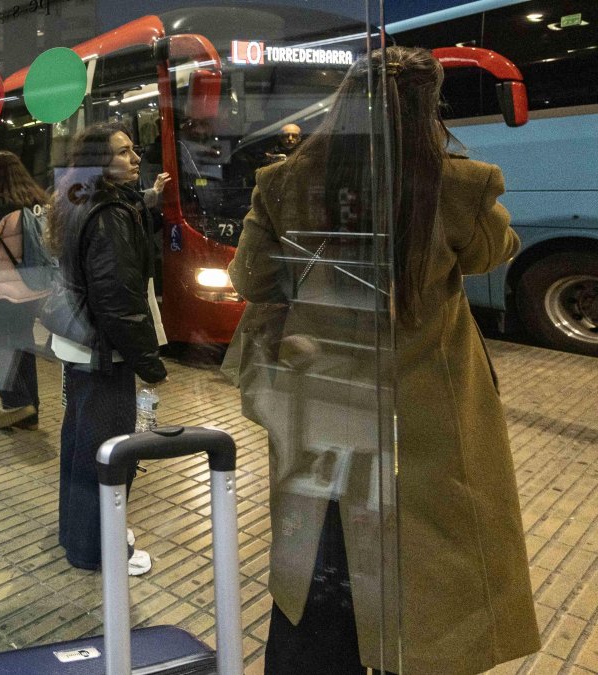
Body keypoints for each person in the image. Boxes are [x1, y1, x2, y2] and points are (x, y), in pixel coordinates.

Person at [227, 47, 539, 674]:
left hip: (320, 395)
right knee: (430, 552)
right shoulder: (460, 184)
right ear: (428, 106)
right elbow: (492, 251)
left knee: (323, 545)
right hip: (425, 413)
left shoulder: (284, 182)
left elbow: (251, 277)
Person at [44, 122, 170, 576]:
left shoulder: (78, 198)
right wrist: (150, 364)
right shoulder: (109, 212)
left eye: (133, 150)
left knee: (81, 446)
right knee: (110, 453)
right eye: (122, 152)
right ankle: (98, 549)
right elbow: (118, 299)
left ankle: (78, 535)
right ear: (101, 161)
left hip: (78, 343)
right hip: (103, 350)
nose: (135, 158)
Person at [0, 151, 49, 429]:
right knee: (23, 346)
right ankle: (31, 414)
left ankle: (16, 402)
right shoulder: (38, 200)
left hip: (0, 292)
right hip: (32, 289)